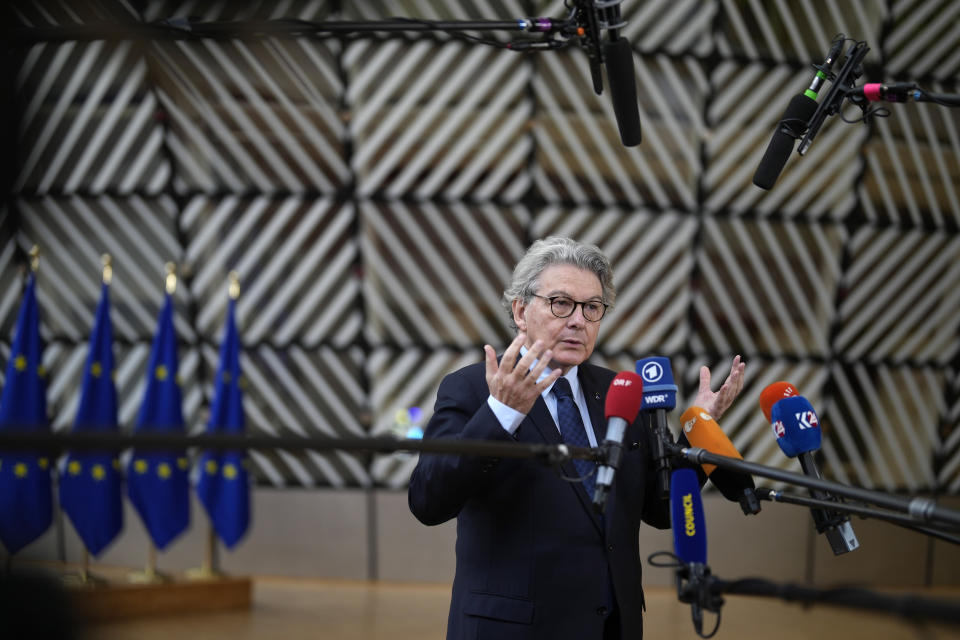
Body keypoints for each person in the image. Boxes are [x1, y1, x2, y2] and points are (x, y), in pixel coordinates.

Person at [408, 236, 745, 640]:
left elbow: (660, 507)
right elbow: (428, 500)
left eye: (592, 308)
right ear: (520, 310)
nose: (577, 321)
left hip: (610, 626)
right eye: (560, 303)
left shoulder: (623, 392)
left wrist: (699, 427)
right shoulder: (472, 389)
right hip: (512, 629)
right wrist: (502, 412)